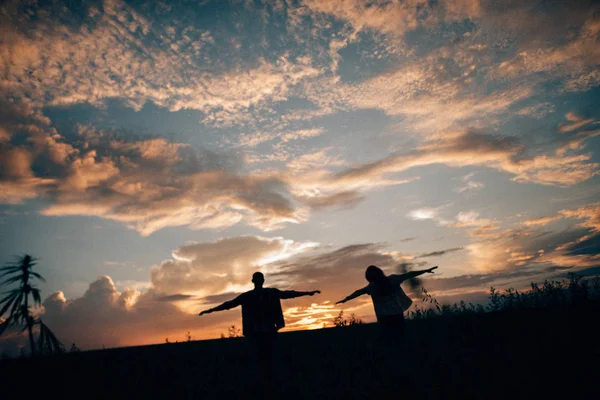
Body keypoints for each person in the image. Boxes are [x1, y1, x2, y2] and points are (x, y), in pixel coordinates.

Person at [198, 272, 320, 371]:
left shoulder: (248, 296)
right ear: (262, 281)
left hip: (255, 332)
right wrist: (308, 293)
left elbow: (228, 304)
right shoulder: (271, 293)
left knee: (259, 358)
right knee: (269, 357)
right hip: (268, 330)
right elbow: (289, 294)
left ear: (253, 281)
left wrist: (210, 310)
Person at [335, 265, 438, 342]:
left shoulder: (373, 286)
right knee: (399, 337)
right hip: (395, 314)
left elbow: (358, 292)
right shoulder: (390, 280)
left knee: (388, 338)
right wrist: (425, 270)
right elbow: (409, 274)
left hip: (385, 317)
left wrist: (346, 299)